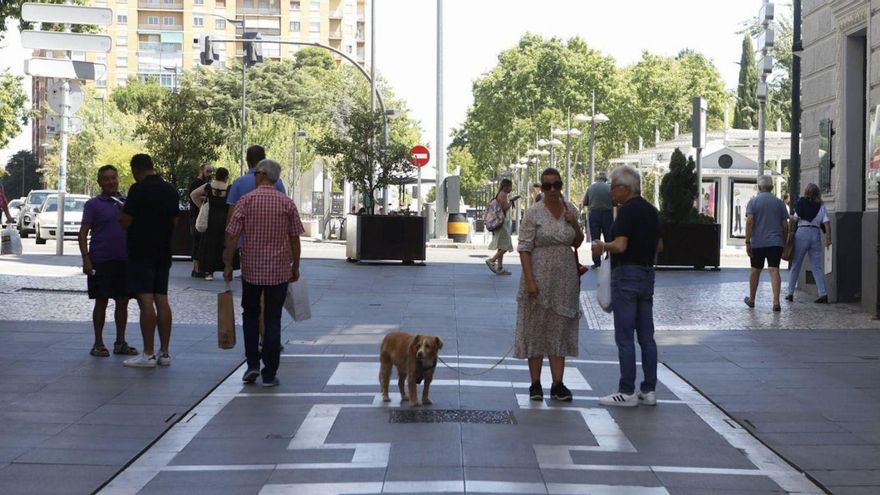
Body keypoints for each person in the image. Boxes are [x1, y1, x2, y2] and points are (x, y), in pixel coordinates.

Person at [224, 159, 304, 387]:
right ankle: (270, 373)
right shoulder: (286, 203)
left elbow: (232, 236)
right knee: (272, 318)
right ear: (276, 178)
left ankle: (252, 365)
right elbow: (294, 237)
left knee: (250, 315)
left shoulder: (245, 201)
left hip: (251, 270)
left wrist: (228, 263)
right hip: (279, 271)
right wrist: (295, 265)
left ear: (259, 175)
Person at [592, 165, 662, 408]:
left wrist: (603, 246)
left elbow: (620, 246)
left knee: (624, 336)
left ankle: (626, 390)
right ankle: (649, 390)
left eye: (613, 187)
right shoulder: (652, 211)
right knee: (646, 337)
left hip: (627, 275)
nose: (611, 192)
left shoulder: (626, 212)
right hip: (646, 275)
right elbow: (659, 247)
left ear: (625, 188)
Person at [515, 168, 584, 402]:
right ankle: (535, 383)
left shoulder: (569, 209)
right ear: (541, 189)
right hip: (538, 276)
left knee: (559, 328)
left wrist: (575, 224)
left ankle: (558, 383)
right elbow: (524, 248)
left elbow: (578, 241)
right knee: (535, 328)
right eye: (547, 186)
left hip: (565, 278)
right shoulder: (533, 213)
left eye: (557, 184)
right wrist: (530, 281)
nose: (553, 190)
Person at [120, 154, 180, 368]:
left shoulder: (138, 190)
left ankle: (147, 354)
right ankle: (164, 352)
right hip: (163, 250)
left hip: (141, 250)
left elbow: (126, 221)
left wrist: (122, 212)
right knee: (161, 299)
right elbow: (174, 221)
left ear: (136, 169)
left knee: (146, 301)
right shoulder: (171, 190)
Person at [78, 165, 137, 358]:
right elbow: (83, 233)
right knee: (101, 301)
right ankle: (98, 343)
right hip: (101, 259)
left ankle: (120, 342)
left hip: (124, 259)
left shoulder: (127, 202)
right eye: (106, 179)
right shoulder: (93, 205)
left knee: (123, 302)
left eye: (114, 178)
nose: (111, 182)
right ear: (100, 182)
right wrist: (86, 259)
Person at [744, 175, 789, 312]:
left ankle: (752, 300)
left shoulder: (753, 202)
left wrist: (747, 241)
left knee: (755, 270)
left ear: (759, 187)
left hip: (758, 242)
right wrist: (784, 241)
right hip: (776, 242)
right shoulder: (779, 203)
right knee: (774, 270)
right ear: (772, 187)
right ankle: (776, 302)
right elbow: (785, 225)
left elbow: (750, 221)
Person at [786, 183, 831, 304]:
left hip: (802, 232)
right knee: (816, 266)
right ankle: (823, 293)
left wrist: (788, 216)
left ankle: (790, 293)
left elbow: (795, 218)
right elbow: (826, 222)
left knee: (796, 264)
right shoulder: (821, 206)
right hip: (815, 233)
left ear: (806, 192)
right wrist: (828, 238)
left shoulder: (801, 204)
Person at [190, 167, 230, 281]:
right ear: (226, 177)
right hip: (223, 220)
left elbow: (193, 195)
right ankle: (224, 269)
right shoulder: (229, 188)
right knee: (221, 245)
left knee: (208, 245)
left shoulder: (208, 186)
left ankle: (208, 272)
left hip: (210, 219)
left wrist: (201, 207)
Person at [485, 178, 519, 275]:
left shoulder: (500, 194)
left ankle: (500, 268)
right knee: (506, 245)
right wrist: (511, 201)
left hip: (500, 223)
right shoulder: (503, 194)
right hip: (502, 223)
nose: (511, 189)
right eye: (511, 187)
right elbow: (504, 208)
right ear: (506, 186)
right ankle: (492, 260)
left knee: (501, 245)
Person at [582, 171, 614, 268]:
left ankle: (596, 262)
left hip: (594, 214)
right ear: (605, 179)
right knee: (609, 237)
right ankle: (609, 259)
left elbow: (584, 202)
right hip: (607, 214)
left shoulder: (591, 187)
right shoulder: (609, 187)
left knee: (595, 239)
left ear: (597, 178)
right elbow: (615, 201)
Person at [188, 163, 213, 278]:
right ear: (201, 170)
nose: (209, 174)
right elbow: (194, 197)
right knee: (198, 242)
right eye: (208, 171)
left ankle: (197, 268)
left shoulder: (203, 183)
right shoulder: (197, 184)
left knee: (200, 242)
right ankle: (196, 269)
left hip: (199, 216)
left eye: (211, 171)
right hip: (196, 216)